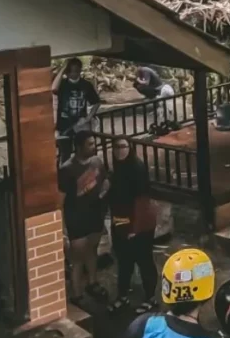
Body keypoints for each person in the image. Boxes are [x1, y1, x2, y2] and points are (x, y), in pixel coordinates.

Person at [59, 130, 109, 305]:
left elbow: (105, 181)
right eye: (90, 144)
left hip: (94, 215)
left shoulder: (97, 162)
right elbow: (60, 199)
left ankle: (93, 282)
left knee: (92, 251)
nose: (94, 147)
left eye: (94, 143)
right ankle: (76, 293)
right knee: (77, 258)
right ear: (79, 147)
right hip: (76, 218)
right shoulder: (67, 169)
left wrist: (103, 196)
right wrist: (62, 226)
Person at [108, 137, 158, 314]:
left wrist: (134, 229)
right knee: (124, 261)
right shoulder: (118, 170)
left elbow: (142, 202)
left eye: (123, 147)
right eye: (116, 147)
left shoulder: (136, 169)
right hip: (121, 222)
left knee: (144, 260)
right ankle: (122, 296)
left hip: (140, 224)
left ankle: (151, 297)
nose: (119, 150)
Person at [53, 58, 101, 161]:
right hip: (65, 126)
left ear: (79, 70)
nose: (73, 74)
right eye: (70, 71)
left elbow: (96, 102)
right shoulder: (63, 84)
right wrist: (63, 68)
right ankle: (65, 174)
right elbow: (53, 88)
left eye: (76, 71)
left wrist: (88, 118)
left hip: (81, 125)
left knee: (85, 151)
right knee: (65, 154)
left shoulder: (86, 85)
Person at [134, 67, 177, 133]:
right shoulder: (145, 71)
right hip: (166, 88)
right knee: (165, 107)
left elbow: (146, 83)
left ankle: (165, 122)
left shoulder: (145, 71)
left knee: (161, 107)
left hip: (162, 89)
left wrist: (138, 80)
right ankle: (168, 121)